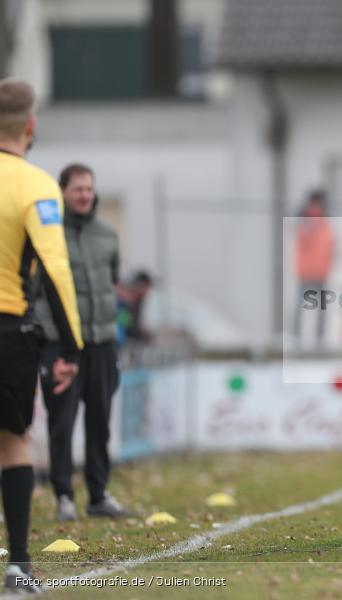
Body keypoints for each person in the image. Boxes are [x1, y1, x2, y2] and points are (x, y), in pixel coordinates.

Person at [0, 79, 83, 592]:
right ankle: (18, 564)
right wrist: (71, 346)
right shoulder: (34, 184)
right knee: (13, 442)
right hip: (9, 326)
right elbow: (55, 269)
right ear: (31, 126)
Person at [34, 163, 134, 521]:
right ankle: (63, 495)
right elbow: (40, 292)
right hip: (62, 345)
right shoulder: (48, 234)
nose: (84, 195)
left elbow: (111, 280)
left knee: (100, 420)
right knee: (61, 422)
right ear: (62, 192)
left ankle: (99, 493)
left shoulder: (107, 233)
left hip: (103, 343)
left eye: (88, 189)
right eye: (77, 189)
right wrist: (52, 337)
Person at [293, 191, 334, 346]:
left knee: (322, 308)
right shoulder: (304, 222)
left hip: (322, 272)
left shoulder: (325, 222)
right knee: (300, 305)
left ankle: (320, 340)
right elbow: (304, 240)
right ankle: (296, 338)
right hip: (306, 272)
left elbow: (330, 245)